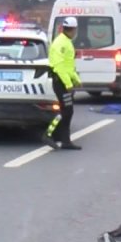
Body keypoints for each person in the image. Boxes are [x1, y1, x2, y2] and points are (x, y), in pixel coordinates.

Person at [43, 16, 83, 150]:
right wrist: (69, 84)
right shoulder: (61, 43)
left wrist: (76, 79)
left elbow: (68, 66)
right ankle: (49, 134)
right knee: (66, 111)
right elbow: (60, 67)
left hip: (63, 80)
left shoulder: (65, 41)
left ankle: (64, 139)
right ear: (73, 30)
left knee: (67, 111)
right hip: (60, 82)